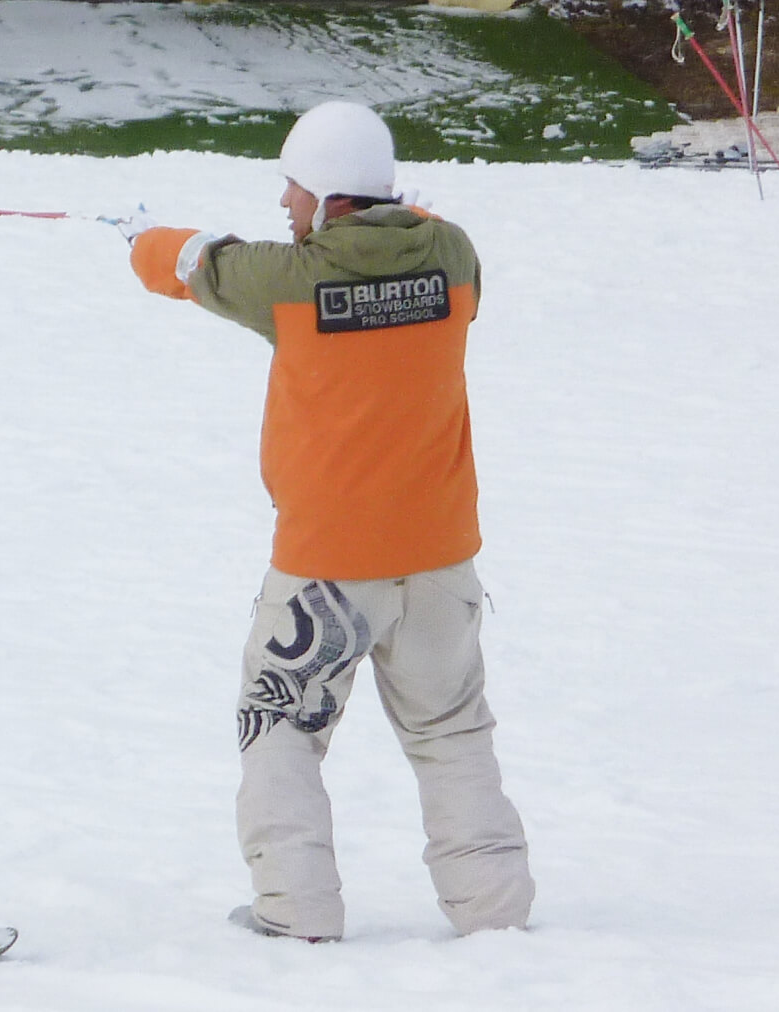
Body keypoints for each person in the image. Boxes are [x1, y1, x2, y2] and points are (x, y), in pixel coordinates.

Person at [125, 101, 534, 941]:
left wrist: (144, 237)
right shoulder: (453, 258)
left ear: (329, 197)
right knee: (452, 729)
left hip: (325, 569)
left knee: (279, 726)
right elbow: (422, 233)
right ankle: (493, 911)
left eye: (295, 187)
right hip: (441, 558)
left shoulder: (287, 281)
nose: (285, 204)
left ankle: (296, 910)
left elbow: (196, 263)